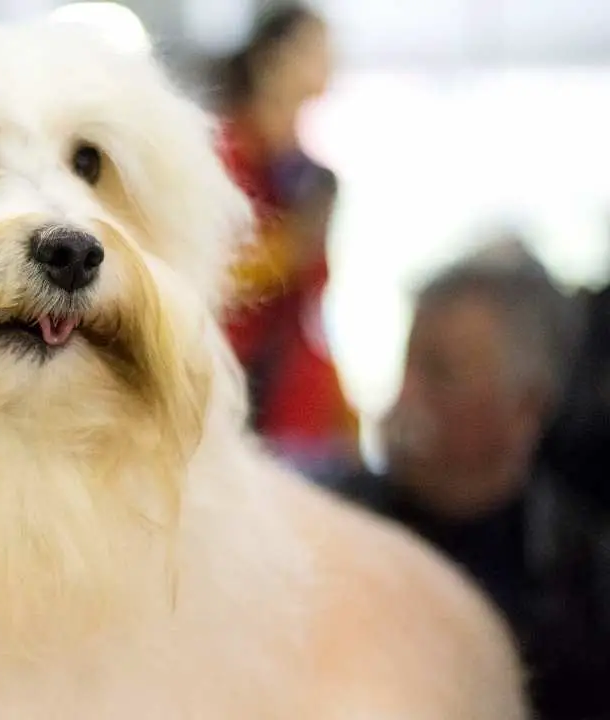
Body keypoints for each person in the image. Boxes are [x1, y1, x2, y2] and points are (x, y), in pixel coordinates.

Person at [336, 243, 610, 719]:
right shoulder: (335, 536)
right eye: (409, 365)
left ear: (526, 407)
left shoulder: (584, 586)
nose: (406, 397)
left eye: (441, 374)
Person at [214, 4, 358, 480]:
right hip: (233, 388)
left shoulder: (304, 171)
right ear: (273, 59)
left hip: (297, 395)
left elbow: (309, 298)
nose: (330, 63)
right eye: (317, 49)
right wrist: (293, 243)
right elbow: (216, 271)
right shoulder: (223, 154)